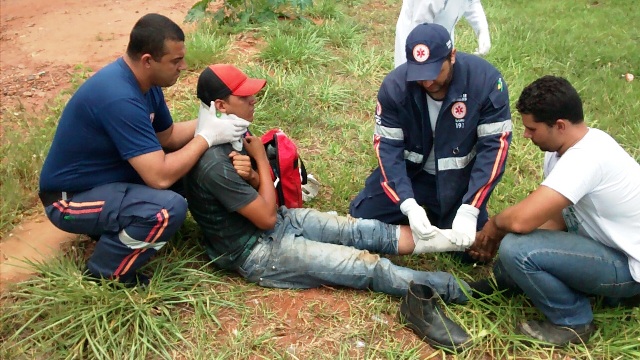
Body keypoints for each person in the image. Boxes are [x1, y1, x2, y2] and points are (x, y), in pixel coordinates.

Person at [184, 63, 477, 299]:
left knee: (362, 230)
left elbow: (262, 198)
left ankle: (455, 242)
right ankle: (463, 290)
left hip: (280, 221)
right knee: (367, 267)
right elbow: (266, 217)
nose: (253, 99)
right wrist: (260, 159)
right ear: (221, 105)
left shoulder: (231, 135)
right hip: (256, 251)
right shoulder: (214, 162)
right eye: (244, 96)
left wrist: (253, 175)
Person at [38, 14, 250, 287]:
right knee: (165, 209)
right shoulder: (119, 97)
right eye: (175, 61)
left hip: (109, 181)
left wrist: (211, 123)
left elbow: (169, 137)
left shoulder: (145, 85)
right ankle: (105, 272)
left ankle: (118, 225)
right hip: (70, 200)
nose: (183, 67)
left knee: (193, 167)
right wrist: (207, 137)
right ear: (148, 60)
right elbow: (159, 177)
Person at [471, 75, 640, 345]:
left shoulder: (587, 158)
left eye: (532, 128)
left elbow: (522, 220)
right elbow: (559, 220)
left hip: (632, 268)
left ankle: (573, 321)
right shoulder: (561, 151)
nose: (526, 135)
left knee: (518, 249)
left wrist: (494, 227)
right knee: (516, 249)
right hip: (609, 249)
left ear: (559, 125)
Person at [350, 23, 512, 253]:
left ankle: (447, 216)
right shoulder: (395, 88)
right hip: (412, 175)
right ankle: (420, 214)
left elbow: (495, 150)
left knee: (472, 249)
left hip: (458, 183)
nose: (427, 83)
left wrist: (470, 209)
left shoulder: (485, 82)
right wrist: (408, 204)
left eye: (435, 72)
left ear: (452, 56)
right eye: (420, 75)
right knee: (362, 218)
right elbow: (388, 151)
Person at [395, 0, 491, 68]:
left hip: (443, 33)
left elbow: (471, 2)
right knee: (413, 79)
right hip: (418, 36)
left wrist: (482, 29)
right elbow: (421, 25)